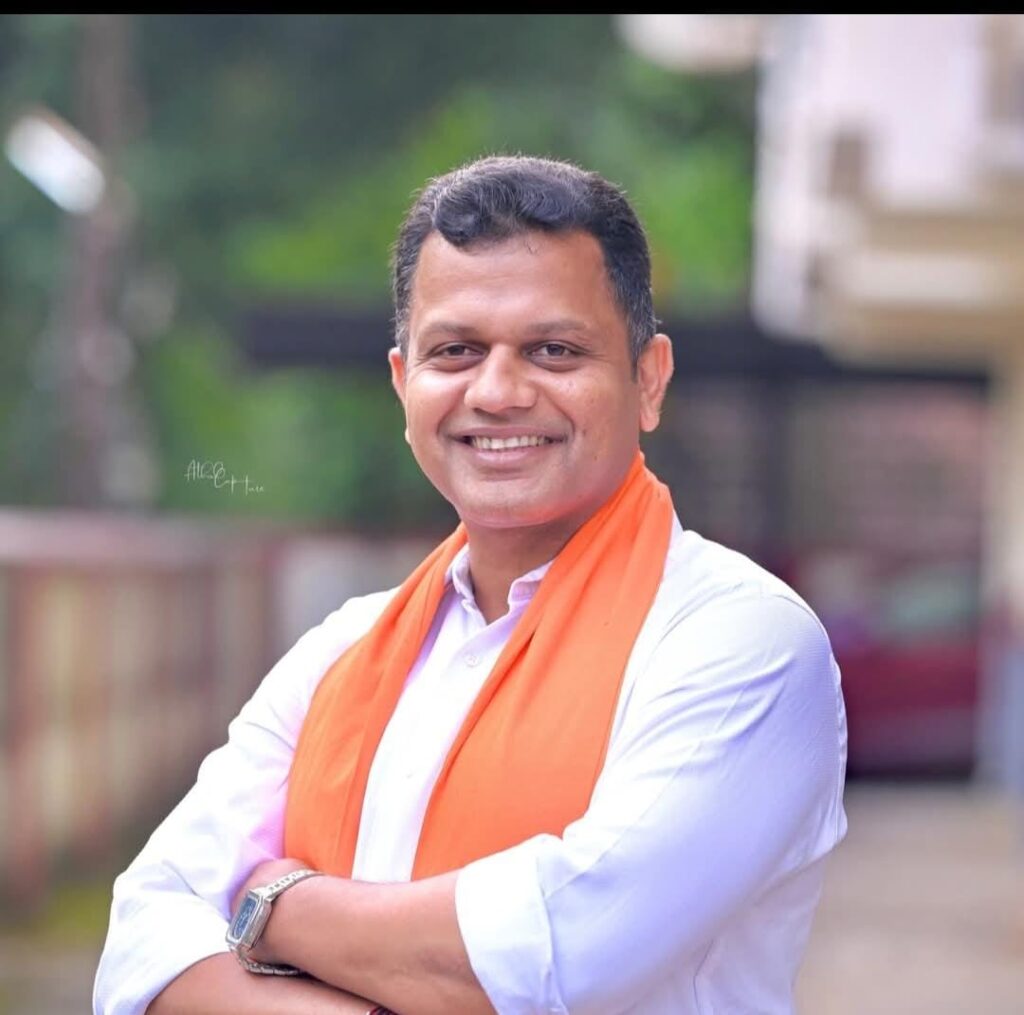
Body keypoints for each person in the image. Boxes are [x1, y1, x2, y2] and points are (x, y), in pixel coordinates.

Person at [94, 155, 848, 1015]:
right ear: (402, 383)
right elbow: (140, 944)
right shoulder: (344, 649)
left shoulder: (740, 642)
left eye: (554, 350)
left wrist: (274, 906)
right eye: (456, 351)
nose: (496, 391)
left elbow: (554, 956)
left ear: (648, 378)